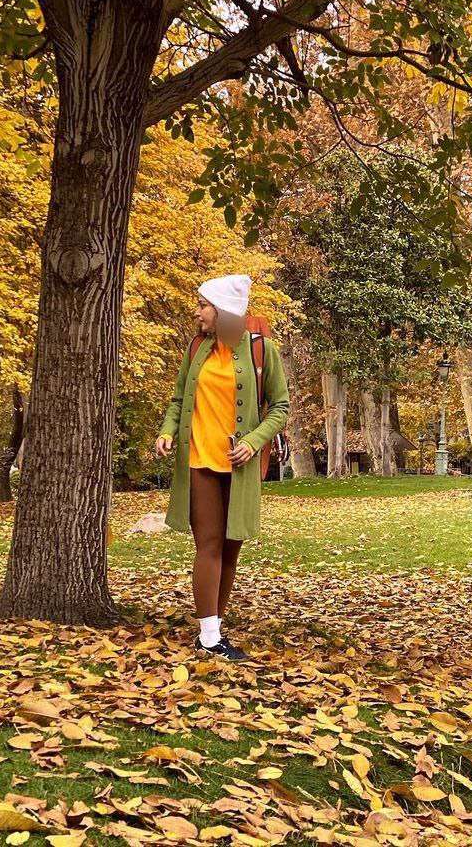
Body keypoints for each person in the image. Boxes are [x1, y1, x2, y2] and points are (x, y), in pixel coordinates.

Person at [155, 274, 290, 661]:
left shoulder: (263, 350)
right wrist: (167, 429)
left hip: (240, 468)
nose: (197, 313)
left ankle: (215, 625)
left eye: (203, 306)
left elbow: (279, 407)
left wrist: (252, 442)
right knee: (209, 546)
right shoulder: (197, 347)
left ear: (223, 311)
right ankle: (209, 636)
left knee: (231, 549)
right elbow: (179, 397)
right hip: (200, 460)